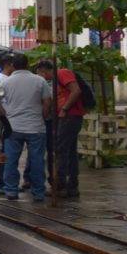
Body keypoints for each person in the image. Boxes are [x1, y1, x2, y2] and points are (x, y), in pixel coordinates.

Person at [0, 53, 51, 202]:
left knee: (10, 160)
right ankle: (38, 192)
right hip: (36, 127)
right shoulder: (40, 81)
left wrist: (6, 116)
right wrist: (43, 116)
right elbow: (47, 102)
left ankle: (11, 191)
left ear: (13, 65)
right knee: (37, 161)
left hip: (13, 128)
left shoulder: (5, 83)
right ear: (28, 65)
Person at [36, 60, 86, 198]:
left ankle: (60, 185)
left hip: (69, 117)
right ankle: (72, 186)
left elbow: (76, 91)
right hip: (68, 117)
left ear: (43, 71)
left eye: (39, 74)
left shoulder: (62, 73)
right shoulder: (55, 80)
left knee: (60, 150)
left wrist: (64, 109)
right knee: (69, 151)